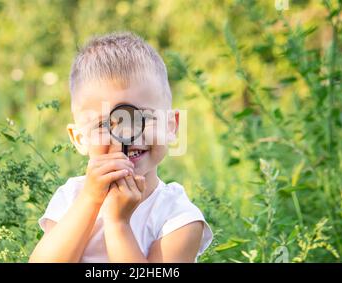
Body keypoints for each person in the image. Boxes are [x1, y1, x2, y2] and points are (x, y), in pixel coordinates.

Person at [29, 31, 212, 263]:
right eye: (105, 124)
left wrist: (117, 224)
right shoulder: (72, 198)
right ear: (79, 138)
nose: (126, 136)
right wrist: (91, 200)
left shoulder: (178, 218)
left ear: (171, 125)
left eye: (142, 117)